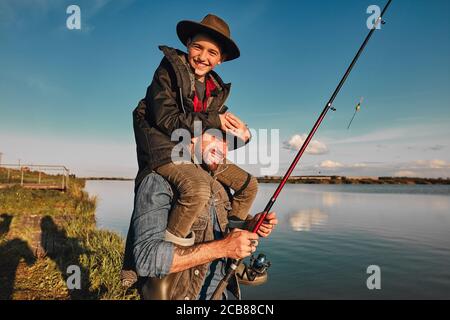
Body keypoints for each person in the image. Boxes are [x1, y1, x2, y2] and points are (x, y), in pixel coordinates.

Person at [135, 14, 259, 246]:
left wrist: (243, 136)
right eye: (197, 47)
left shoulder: (215, 89)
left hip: (196, 153)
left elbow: (216, 135)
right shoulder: (167, 72)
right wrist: (214, 121)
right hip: (165, 150)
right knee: (199, 189)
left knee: (249, 185)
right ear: (188, 44)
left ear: (221, 59)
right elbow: (167, 119)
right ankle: (168, 254)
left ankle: (231, 240)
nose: (203, 57)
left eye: (212, 53)